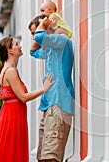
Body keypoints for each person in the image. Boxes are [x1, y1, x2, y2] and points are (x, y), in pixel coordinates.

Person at [0, 37, 54, 162]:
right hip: (12, 118)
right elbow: (23, 97)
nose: (19, 46)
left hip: (11, 116)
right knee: (12, 154)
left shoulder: (8, 69)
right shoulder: (10, 71)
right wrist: (44, 89)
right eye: (16, 44)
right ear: (10, 51)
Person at [30, 16, 75, 162]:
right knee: (42, 156)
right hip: (49, 105)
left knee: (51, 157)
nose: (34, 38)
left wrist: (43, 24)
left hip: (59, 103)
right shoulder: (51, 48)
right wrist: (40, 30)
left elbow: (40, 37)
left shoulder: (61, 41)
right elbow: (33, 52)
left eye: (34, 32)